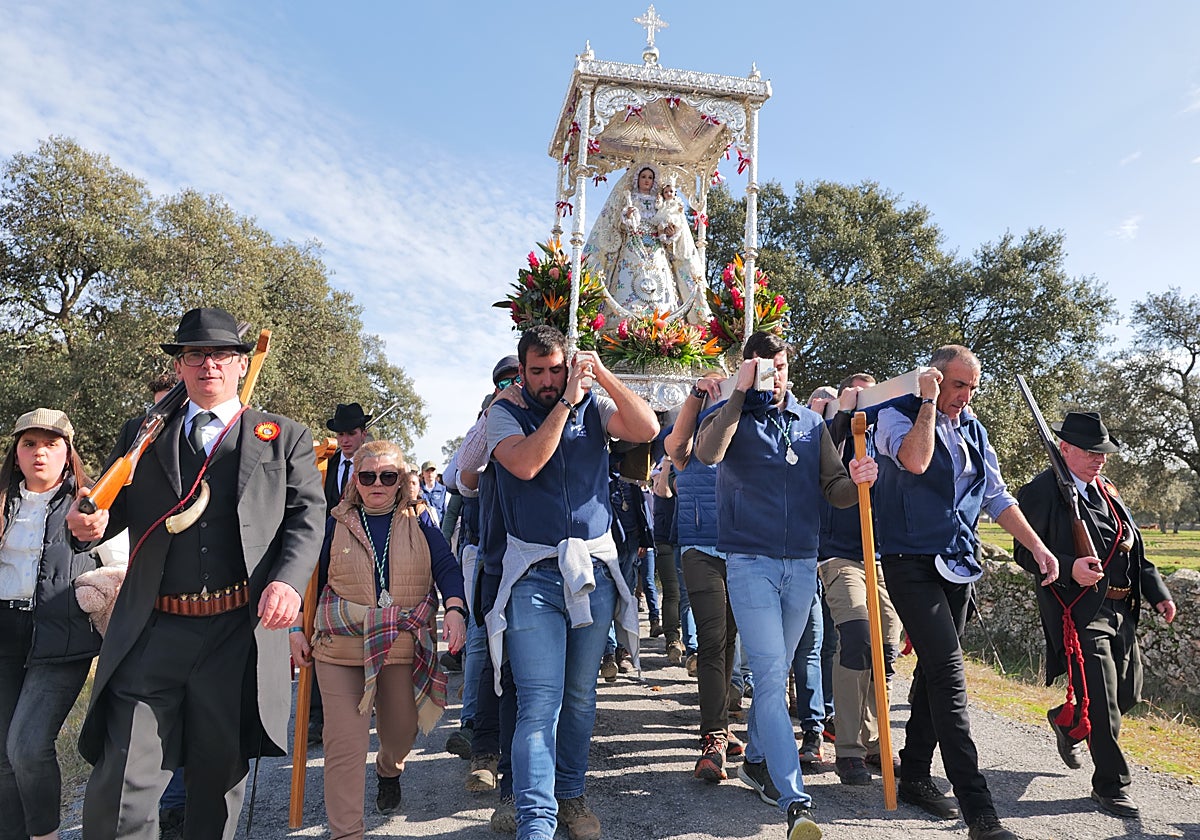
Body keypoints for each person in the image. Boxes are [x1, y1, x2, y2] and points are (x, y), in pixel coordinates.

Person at [66, 307, 326, 839]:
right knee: (122, 787)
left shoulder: (284, 437)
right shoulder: (142, 433)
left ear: (239, 363)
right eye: (194, 355)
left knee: (215, 790)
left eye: (219, 354)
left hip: (236, 634)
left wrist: (287, 581)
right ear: (181, 367)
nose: (207, 364)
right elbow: (106, 507)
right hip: (152, 629)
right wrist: (86, 524)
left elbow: (307, 519)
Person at [695, 331, 877, 840]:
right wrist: (739, 392)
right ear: (748, 368)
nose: (777, 376)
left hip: (802, 563)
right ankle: (796, 800)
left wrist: (860, 478)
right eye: (765, 368)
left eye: (782, 366)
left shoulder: (812, 423)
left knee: (776, 675)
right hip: (748, 562)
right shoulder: (729, 416)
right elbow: (708, 455)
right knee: (773, 675)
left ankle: (755, 759)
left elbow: (836, 491)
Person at [873, 344, 1060, 840]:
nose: (966, 396)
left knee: (934, 673)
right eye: (958, 385)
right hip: (909, 561)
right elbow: (915, 461)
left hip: (958, 563)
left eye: (973, 387)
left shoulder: (975, 429)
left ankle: (913, 773)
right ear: (934, 378)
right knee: (950, 674)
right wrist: (930, 404)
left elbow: (997, 497)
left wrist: (1038, 548)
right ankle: (980, 811)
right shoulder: (895, 417)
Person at [485, 325, 658, 840]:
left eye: (555, 369)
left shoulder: (594, 407)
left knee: (581, 696)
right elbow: (527, 463)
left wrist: (599, 373)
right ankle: (535, 821)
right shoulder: (503, 413)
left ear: (569, 364)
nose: (545, 379)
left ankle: (571, 794)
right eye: (535, 371)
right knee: (541, 700)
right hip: (533, 577)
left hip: (593, 573)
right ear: (521, 370)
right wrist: (564, 403)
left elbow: (646, 428)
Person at [289, 440, 467, 836]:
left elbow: (446, 565)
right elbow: (303, 575)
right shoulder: (333, 520)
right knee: (344, 747)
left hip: (401, 642)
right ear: (356, 480)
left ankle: (390, 769)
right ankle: (347, 832)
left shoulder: (421, 518)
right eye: (368, 476)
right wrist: (294, 628)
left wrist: (454, 607)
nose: (378, 484)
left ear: (401, 480)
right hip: (341, 645)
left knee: (401, 733)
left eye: (388, 476)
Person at [1014, 411, 1176, 819]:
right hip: (1080, 611)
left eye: (1102, 452)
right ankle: (1112, 785)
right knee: (1103, 704)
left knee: (1126, 695)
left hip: (1122, 608)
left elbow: (1133, 547)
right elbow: (1023, 551)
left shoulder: (1107, 490)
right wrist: (1068, 566)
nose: (1099, 459)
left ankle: (1068, 723)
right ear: (1064, 449)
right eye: (1090, 452)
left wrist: (1157, 592)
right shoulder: (1041, 491)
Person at [0, 409, 99, 840]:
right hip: (4, 635)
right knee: (2, 755)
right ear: (16, 454)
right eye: (29, 444)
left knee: (27, 747)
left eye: (51, 444)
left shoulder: (92, 504)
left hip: (62, 640)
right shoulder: (2, 501)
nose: (39, 452)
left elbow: (119, 564)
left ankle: (46, 837)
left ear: (68, 453)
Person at [812, 375, 903, 786]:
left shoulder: (889, 430)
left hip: (883, 557)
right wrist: (844, 411)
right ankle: (847, 749)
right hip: (841, 555)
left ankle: (874, 743)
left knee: (885, 650)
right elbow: (822, 450)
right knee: (856, 638)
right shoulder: (836, 430)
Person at [664, 370, 745, 783]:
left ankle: (723, 722)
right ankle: (712, 737)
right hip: (700, 548)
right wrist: (698, 397)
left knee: (729, 639)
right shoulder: (687, 432)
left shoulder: (743, 424)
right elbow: (674, 446)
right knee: (712, 640)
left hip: (743, 548)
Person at [582, 163, 707, 324]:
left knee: (660, 281)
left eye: (650, 177)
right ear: (637, 179)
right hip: (633, 245)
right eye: (643, 177)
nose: (646, 180)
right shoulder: (630, 198)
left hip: (656, 246)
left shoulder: (660, 200)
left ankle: (661, 320)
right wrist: (627, 216)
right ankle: (621, 323)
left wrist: (670, 231)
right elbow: (619, 224)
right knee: (628, 279)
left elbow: (670, 220)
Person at [324, 403, 371, 512]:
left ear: (363, 434)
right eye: (340, 434)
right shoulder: (327, 464)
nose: (345, 440)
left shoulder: (372, 466)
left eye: (351, 433)